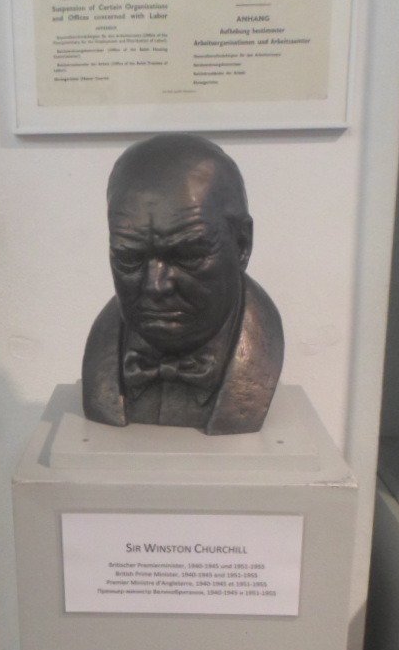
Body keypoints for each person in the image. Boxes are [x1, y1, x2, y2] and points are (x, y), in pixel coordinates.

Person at [82, 133, 284, 435]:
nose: (155, 285)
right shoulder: (103, 350)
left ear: (242, 245)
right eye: (130, 257)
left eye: (188, 256)